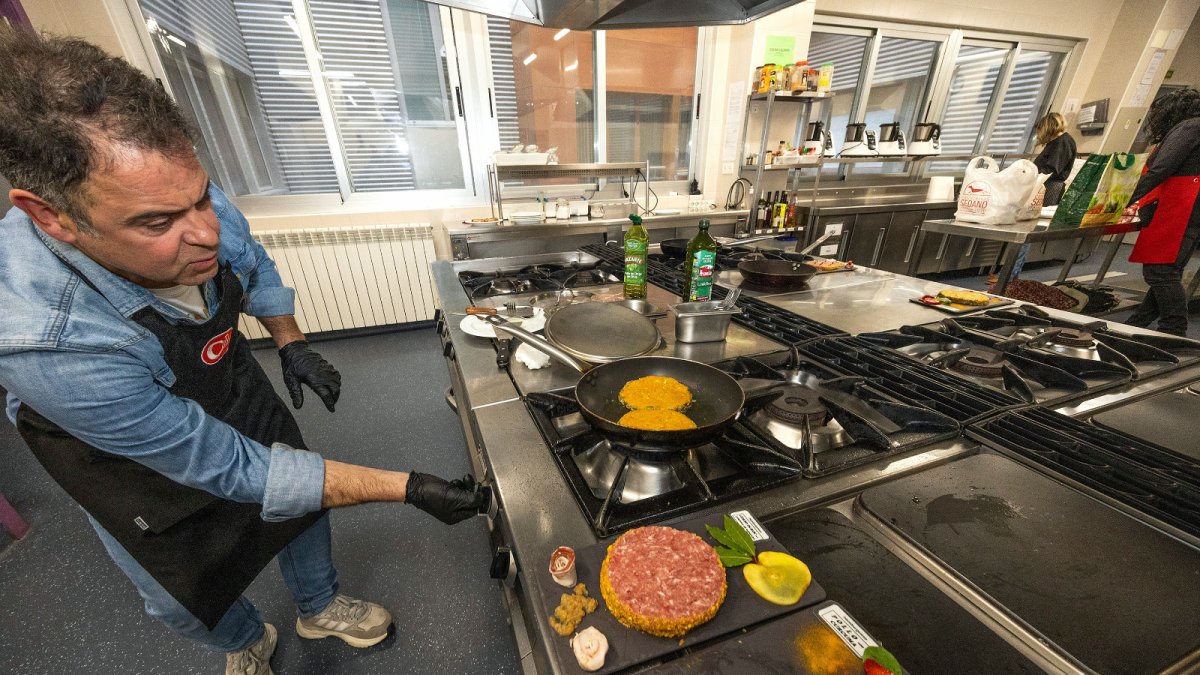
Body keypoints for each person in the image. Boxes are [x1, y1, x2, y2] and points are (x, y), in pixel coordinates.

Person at [0, 29, 484, 674]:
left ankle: (320, 605)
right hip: (121, 454)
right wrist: (408, 487)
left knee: (301, 508)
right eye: (159, 223)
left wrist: (291, 342)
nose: (206, 232)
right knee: (175, 591)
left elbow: (250, 264)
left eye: (202, 196)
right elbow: (225, 466)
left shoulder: (178, 194)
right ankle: (244, 640)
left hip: (225, 379)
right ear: (51, 216)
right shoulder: (47, 342)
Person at [1117, 87, 1200, 337]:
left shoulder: (1189, 127)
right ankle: (1139, 321)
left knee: (1160, 271)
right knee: (1168, 270)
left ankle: (1174, 329)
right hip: (1189, 207)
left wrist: (1121, 200)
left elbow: (1160, 169)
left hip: (1182, 206)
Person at [990, 112, 1077, 289]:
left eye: (1039, 130)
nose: (1038, 135)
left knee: (1026, 230)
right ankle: (1009, 272)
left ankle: (1010, 274)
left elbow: (1050, 170)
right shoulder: (1059, 142)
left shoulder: (1061, 143)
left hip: (1046, 189)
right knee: (1025, 229)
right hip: (1043, 187)